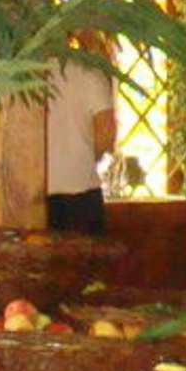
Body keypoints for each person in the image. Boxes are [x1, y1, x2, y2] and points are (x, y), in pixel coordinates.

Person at [43, 38, 116, 234]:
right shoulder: (90, 73)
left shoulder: (18, 78)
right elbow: (106, 133)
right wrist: (84, 158)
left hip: (29, 197)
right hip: (82, 194)